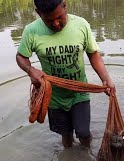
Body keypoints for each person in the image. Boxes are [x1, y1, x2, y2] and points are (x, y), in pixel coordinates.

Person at [16, 0, 115, 148]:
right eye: (49, 20)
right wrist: (31, 70)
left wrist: (106, 79)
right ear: (38, 13)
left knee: (84, 133)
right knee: (66, 134)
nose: (56, 24)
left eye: (59, 17)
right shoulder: (31, 31)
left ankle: (87, 155)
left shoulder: (81, 25)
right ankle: (69, 160)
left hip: (79, 92)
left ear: (65, 5)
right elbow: (21, 56)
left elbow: (93, 54)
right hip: (54, 96)